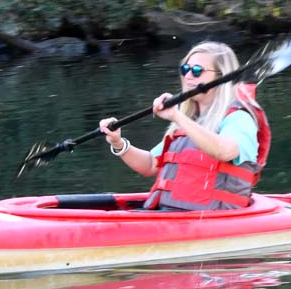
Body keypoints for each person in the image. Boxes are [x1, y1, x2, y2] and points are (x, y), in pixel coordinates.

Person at [98, 41, 271, 210]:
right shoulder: (189, 121)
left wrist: (177, 116)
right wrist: (118, 143)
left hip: (215, 219)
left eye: (197, 71)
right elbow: (151, 164)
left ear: (221, 76)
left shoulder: (239, 118)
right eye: (185, 69)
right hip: (172, 215)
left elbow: (225, 151)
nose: (188, 75)